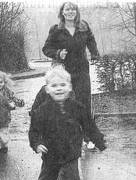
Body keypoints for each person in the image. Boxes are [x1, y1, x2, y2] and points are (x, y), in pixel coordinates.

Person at [28, 67, 106, 180]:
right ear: (47, 89)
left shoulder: (78, 108)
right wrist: (37, 144)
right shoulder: (42, 111)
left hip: (71, 153)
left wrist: (99, 141)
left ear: (69, 87)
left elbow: (89, 125)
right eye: (54, 86)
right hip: (51, 154)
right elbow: (34, 131)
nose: (59, 89)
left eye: (62, 85)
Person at [42, 2, 99, 146]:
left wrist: (94, 53)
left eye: (73, 9)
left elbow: (91, 41)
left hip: (81, 70)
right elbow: (46, 48)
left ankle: (88, 137)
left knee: (84, 102)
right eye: (67, 9)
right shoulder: (56, 30)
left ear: (76, 12)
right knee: (64, 101)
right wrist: (57, 53)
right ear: (62, 12)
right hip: (64, 71)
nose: (70, 12)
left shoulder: (84, 27)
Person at [0, 69, 25, 153]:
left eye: (1, 82)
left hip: (5, 115)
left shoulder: (7, 91)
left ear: (4, 82)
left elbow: (13, 98)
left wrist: (19, 102)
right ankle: (0, 143)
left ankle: (4, 143)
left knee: (4, 131)